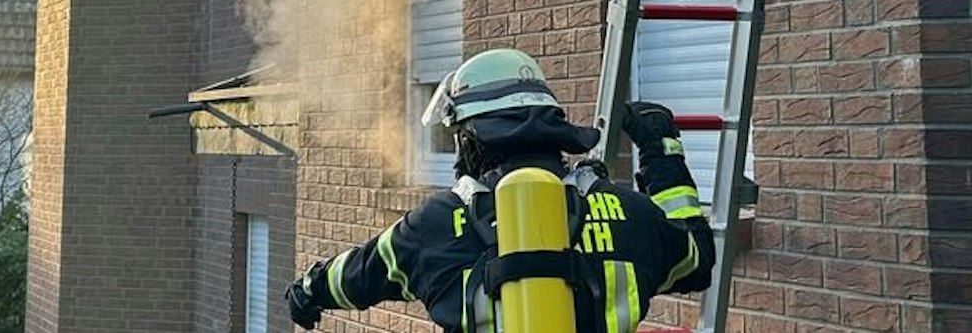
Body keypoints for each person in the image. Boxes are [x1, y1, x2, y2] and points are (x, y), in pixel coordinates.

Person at [284, 48, 716, 332]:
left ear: (471, 139)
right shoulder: (627, 212)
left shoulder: (434, 225)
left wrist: (308, 289)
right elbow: (697, 259)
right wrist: (662, 150)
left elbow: (360, 273)